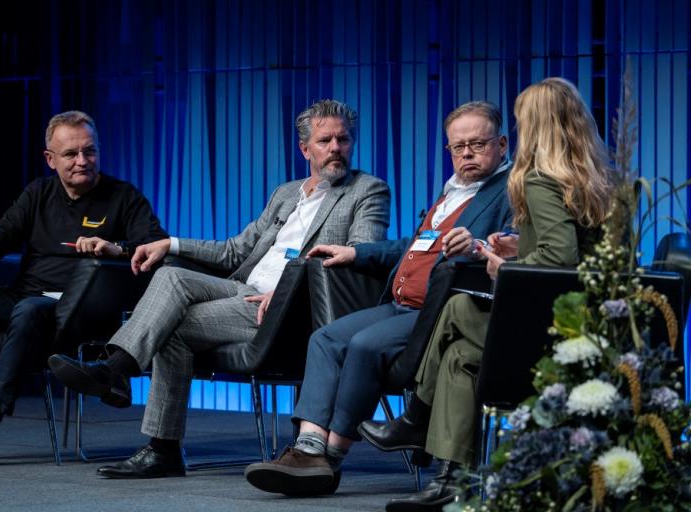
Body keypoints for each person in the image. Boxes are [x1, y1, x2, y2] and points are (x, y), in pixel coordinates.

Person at [48, 99, 391, 479]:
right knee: (171, 275)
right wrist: (171, 244)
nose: (336, 149)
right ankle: (120, 376)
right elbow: (235, 251)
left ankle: (147, 423)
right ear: (305, 148)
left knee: (171, 328)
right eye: (325, 140)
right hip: (242, 291)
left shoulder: (367, 190)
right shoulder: (287, 193)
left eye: (343, 139)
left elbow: (359, 254)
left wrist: (289, 290)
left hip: (287, 310)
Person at [359, 77, 614, 511]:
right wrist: (520, 245)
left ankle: (415, 419)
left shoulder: (538, 178)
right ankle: (449, 481)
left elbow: (559, 258)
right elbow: (580, 250)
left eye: (519, 122)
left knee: (458, 306)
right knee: (459, 357)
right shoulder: (596, 177)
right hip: (592, 320)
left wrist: (506, 266)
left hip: (553, 331)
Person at [243, 101, 514, 496]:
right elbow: (414, 246)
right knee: (325, 338)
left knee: (364, 344)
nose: (467, 154)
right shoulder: (451, 192)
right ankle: (308, 447)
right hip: (399, 302)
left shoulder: (509, 190)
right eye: (458, 147)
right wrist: (356, 252)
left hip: (439, 312)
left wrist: (478, 247)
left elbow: (511, 243)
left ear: (502, 144)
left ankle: (329, 461)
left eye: (477, 144)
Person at [0, 110, 168, 468]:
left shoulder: (123, 196)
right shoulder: (38, 192)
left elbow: (156, 248)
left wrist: (118, 249)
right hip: (27, 293)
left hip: (82, 311)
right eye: (71, 154)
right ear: (50, 159)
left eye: (90, 151)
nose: (82, 161)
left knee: (28, 310)